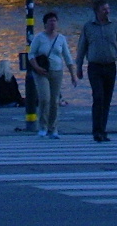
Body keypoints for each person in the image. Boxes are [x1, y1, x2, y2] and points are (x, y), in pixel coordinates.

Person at [76, 0, 117, 143]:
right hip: (95, 67)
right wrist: (79, 67)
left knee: (106, 100)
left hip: (110, 66)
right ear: (97, 11)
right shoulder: (89, 26)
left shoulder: (115, 24)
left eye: (108, 9)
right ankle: (97, 131)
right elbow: (82, 47)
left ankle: (103, 130)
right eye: (104, 9)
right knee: (98, 96)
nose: (107, 12)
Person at [28, 11, 76, 140]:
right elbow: (31, 54)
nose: (53, 24)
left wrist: (73, 75)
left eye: (54, 21)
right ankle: (42, 127)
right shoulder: (39, 38)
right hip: (42, 71)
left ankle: (53, 128)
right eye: (50, 21)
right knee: (45, 98)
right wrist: (37, 67)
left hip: (57, 71)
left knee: (54, 101)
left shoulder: (61, 39)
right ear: (45, 24)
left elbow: (67, 57)